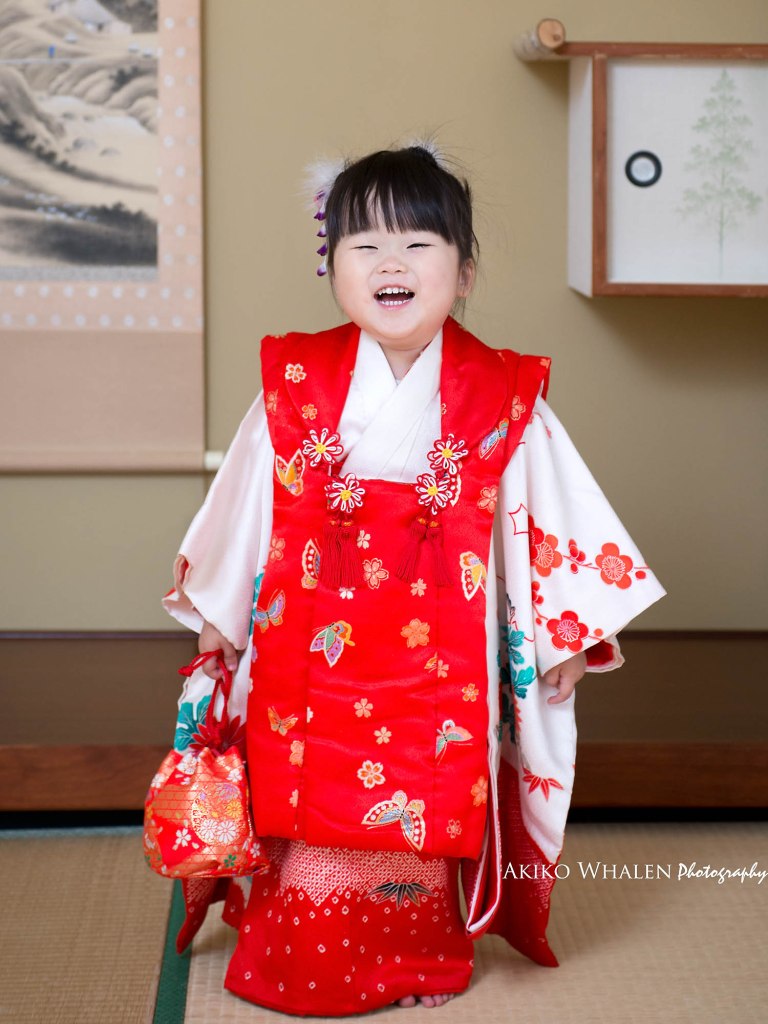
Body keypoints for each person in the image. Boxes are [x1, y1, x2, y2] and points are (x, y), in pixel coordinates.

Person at [161, 143, 665, 1015]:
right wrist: (219, 618)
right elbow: (245, 506)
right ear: (334, 271)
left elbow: (550, 509)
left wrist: (563, 632)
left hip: (441, 657)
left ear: (463, 272)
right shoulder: (296, 381)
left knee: (423, 807)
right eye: (364, 245)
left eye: (419, 244)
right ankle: (299, 952)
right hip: (306, 646)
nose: (391, 263)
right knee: (305, 794)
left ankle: (422, 958)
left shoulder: (500, 393)